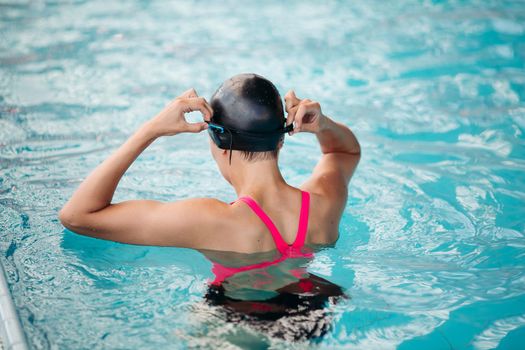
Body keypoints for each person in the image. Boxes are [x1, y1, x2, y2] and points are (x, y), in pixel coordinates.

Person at [58, 73, 361, 252]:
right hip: (313, 319)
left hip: (237, 330)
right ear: (280, 140)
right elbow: (344, 153)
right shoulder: (322, 206)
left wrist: (149, 130)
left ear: (221, 144)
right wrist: (323, 125)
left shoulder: (209, 221)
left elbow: (78, 215)